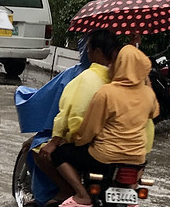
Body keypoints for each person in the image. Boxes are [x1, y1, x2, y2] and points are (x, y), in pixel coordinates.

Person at [53, 43, 159, 207]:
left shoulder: (107, 92)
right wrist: (145, 80)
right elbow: (154, 113)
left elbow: (90, 130)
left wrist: (75, 140)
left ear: (120, 65)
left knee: (59, 154)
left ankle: (82, 194)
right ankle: (131, 197)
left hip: (103, 158)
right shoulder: (148, 94)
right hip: (136, 159)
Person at [34, 28, 120, 196]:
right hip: (128, 151)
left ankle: (70, 190)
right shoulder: (125, 81)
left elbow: (69, 115)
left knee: (41, 151)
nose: (86, 52)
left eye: (88, 48)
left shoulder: (86, 78)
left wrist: (56, 141)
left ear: (96, 51)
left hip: (92, 148)